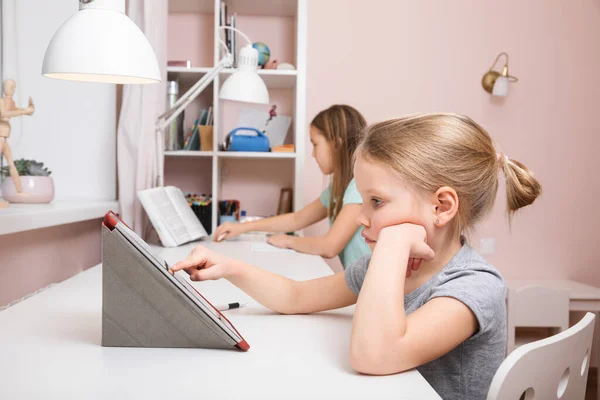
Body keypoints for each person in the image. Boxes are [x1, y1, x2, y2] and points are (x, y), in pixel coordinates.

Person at [173, 113, 542, 399]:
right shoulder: (384, 268)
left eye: (376, 201)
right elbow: (298, 297)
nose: (361, 216)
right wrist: (231, 268)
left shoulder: (473, 286)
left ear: (441, 206)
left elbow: (374, 356)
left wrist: (394, 245)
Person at [214, 104, 371, 269]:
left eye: (315, 144)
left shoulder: (358, 189)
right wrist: (241, 228)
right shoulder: (338, 190)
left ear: (336, 144)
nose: (313, 154)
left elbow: (329, 247)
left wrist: (289, 241)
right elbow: (297, 219)